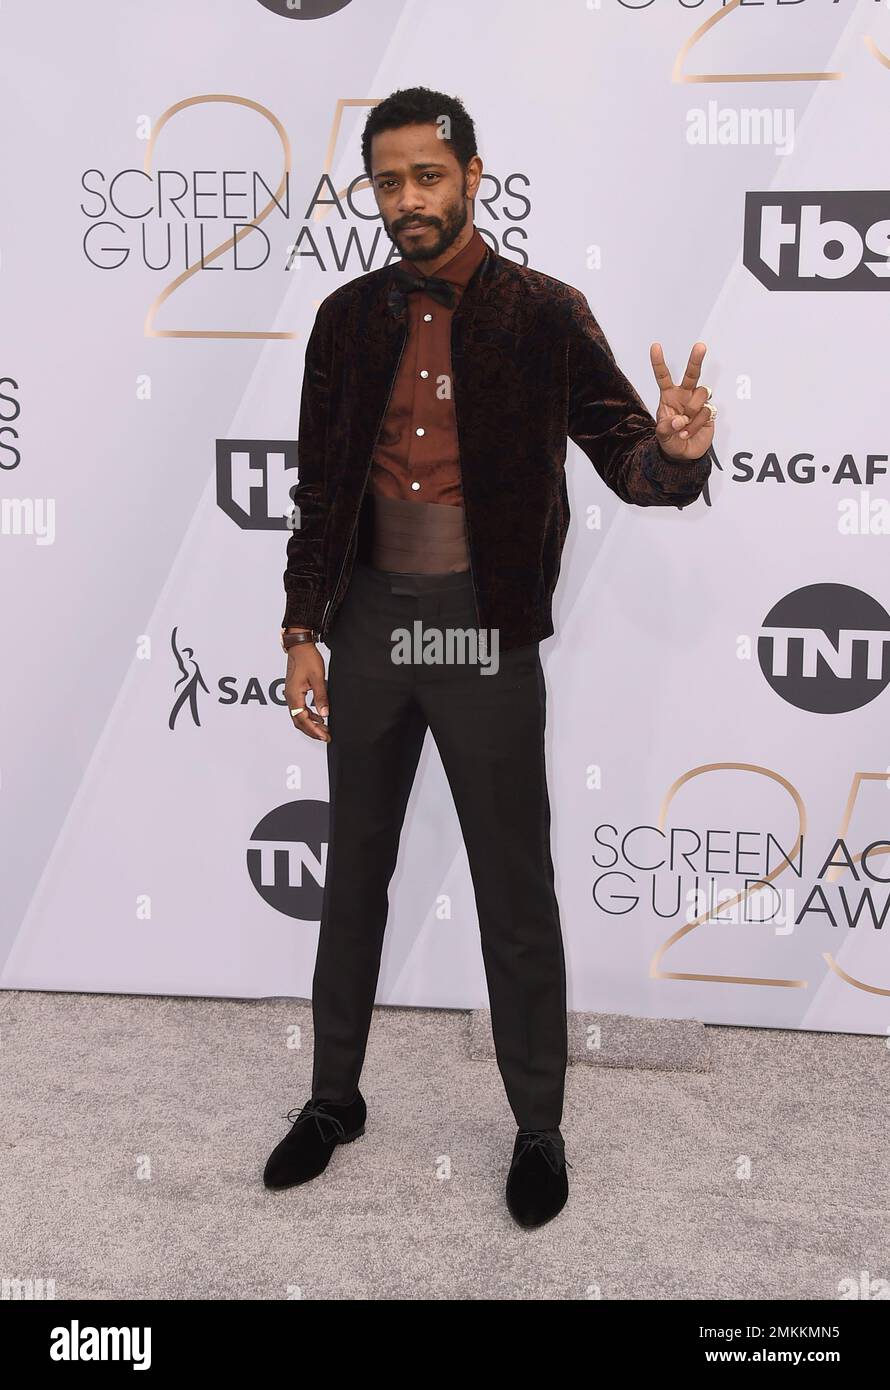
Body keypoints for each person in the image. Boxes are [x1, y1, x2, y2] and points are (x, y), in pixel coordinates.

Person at [263, 87, 715, 1228]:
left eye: (426, 175)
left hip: (478, 627)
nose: (406, 200)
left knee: (514, 887)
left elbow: (626, 461)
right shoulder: (344, 317)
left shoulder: (543, 312)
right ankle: (331, 1101)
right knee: (352, 874)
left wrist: (672, 452)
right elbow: (319, 491)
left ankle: (537, 1127)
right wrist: (301, 628)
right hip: (368, 622)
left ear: (470, 173)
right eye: (386, 181)